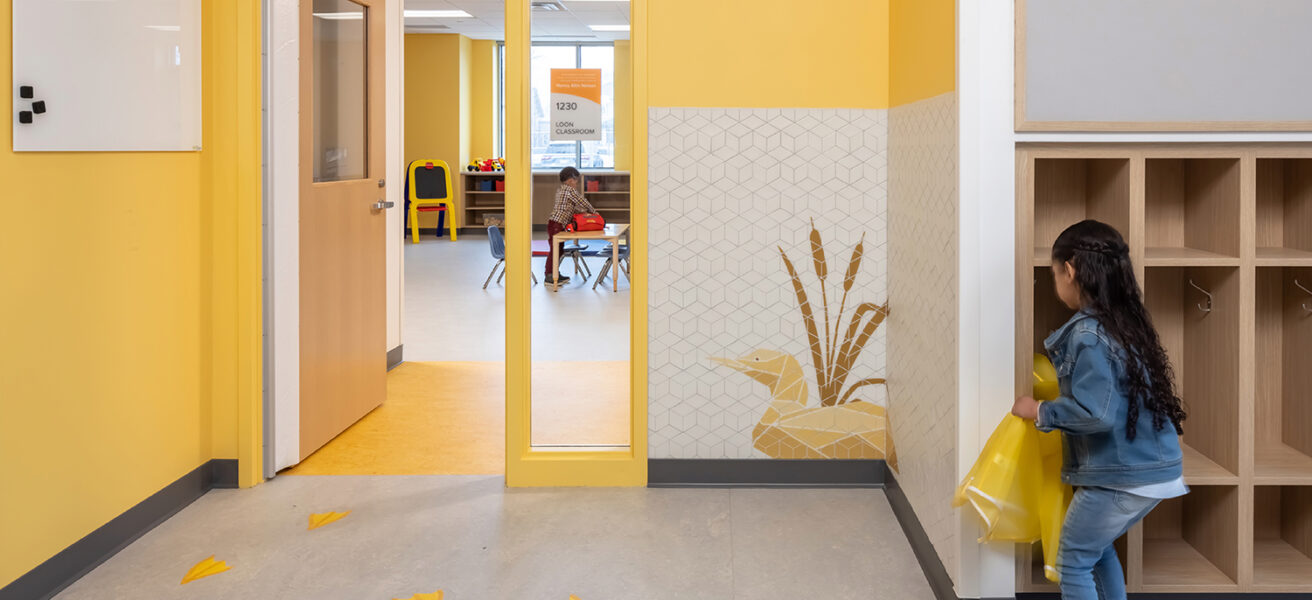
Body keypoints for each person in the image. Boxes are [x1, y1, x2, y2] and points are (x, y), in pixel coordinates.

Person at [1012, 220, 1188, 600]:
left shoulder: (1088, 335)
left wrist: (1040, 409)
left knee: (1072, 559)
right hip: (1151, 471)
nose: (1055, 282)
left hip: (1120, 478)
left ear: (1070, 270)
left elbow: (1096, 414)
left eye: (1054, 274)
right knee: (1097, 548)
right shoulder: (1124, 323)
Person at [545, 166, 596, 285]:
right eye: (576, 181)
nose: (576, 184)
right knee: (555, 250)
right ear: (570, 180)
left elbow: (573, 207)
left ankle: (554, 273)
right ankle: (549, 276)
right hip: (556, 224)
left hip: (555, 223)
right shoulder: (570, 190)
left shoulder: (561, 190)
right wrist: (594, 212)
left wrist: (583, 212)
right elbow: (582, 201)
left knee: (559, 250)